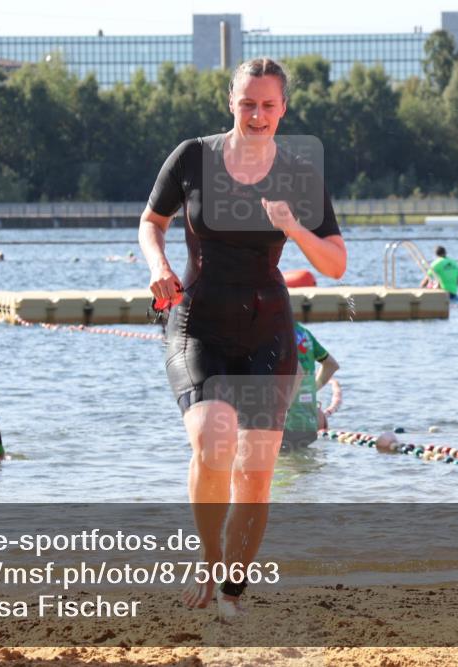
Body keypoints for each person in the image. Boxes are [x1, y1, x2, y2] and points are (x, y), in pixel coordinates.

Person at [139, 57, 346, 617]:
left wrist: (294, 227)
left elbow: (335, 264)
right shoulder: (193, 157)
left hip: (267, 331)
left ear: (284, 108)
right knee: (212, 438)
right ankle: (209, 561)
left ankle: (233, 591)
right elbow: (151, 222)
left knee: (255, 474)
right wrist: (157, 263)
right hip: (197, 321)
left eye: (268, 105)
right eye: (247, 103)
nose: (257, 114)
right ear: (230, 102)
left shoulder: (299, 174)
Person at [281, 323, 339, 451]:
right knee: (301, 466)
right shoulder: (304, 333)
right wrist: (312, 389)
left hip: (285, 426)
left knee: (283, 468)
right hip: (309, 425)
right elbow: (331, 365)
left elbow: (297, 372)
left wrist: (284, 408)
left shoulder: (275, 333)